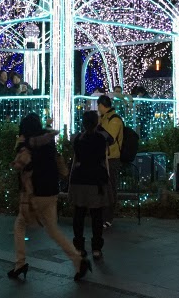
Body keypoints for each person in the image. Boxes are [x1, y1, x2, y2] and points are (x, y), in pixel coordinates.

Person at [9, 113, 91, 281]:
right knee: (53, 230)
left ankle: (20, 263)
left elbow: (20, 164)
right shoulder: (48, 141)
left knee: (19, 225)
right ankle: (77, 259)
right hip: (51, 191)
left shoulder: (26, 144)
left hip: (34, 193)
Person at [70, 111, 110, 260]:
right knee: (96, 215)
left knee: (79, 214)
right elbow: (109, 142)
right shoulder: (100, 138)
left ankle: (79, 246)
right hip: (95, 180)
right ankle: (96, 248)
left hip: (79, 179)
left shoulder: (78, 139)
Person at [97, 94, 122, 229]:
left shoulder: (114, 119)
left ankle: (108, 218)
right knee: (103, 188)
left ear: (102, 105)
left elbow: (110, 138)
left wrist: (98, 127)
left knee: (111, 188)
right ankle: (103, 216)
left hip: (112, 158)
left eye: (98, 106)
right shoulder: (104, 118)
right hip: (103, 157)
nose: (98, 109)